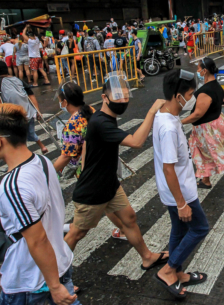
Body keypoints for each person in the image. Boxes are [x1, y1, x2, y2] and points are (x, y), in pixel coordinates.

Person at [63, 73, 170, 270]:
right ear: (105, 98)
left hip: (109, 184)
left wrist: (87, 168)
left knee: (129, 218)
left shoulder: (102, 117)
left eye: (126, 96)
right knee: (76, 233)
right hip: (93, 190)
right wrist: (151, 112)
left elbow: (87, 147)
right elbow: (136, 142)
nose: (123, 100)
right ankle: (53, 277)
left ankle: (147, 257)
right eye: (118, 96)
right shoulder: (101, 122)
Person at [0, 104, 79, 305]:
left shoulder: (13, 186)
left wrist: (54, 287)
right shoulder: (42, 162)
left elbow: (37, 240)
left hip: (31, 283)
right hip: (58, 265)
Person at [153, 70, 210, 299]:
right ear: (178, 96)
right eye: (190, 93)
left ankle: (178, 272)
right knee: (200, 228)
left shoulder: (166, 114)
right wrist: (181, 203)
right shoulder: (167, 127)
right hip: (181, 191)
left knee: (179, 229)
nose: (192, 97)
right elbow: (168, 168)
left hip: (177, 188)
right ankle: (168, 270)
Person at [181, 58, 224, 193]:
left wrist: (179, 122)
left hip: (207, 128)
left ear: (205, 71)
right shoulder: (216, 85)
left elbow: (197, 114)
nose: (197, 71)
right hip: (213, 124)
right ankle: (205, 180)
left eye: (199, 69)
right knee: (203, 152)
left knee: (216, 155)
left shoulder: (206, 91)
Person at [0, 61, 48, 154]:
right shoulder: (18, 79)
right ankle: (42, 147)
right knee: (30, 133)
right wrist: (38, 111)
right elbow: (31, 95)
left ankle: (23, 157)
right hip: (29, 113)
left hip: (14, 117)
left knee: (15, 138)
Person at [53, 82, 95, 179]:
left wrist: (48, 172)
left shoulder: (73, 125)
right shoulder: (90, 110)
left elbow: (66, 157)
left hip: (88, 174)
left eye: (60, 101)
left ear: (65, 102)